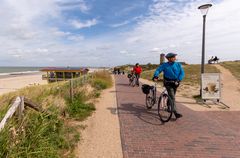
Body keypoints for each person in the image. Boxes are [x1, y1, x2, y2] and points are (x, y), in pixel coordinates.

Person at [152, 53, 185, 119]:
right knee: (172, 97)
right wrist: (156, 75)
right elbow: (158, 70)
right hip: (168, 82)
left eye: (175, 57)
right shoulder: (164, 65)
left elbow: (182, 73)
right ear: (169, 58)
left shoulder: (178, 64)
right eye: (173, 57)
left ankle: (168, 105)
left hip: (176, 82)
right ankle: (175, 112)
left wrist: (178, 80)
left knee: (172, 96)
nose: (175, 58)